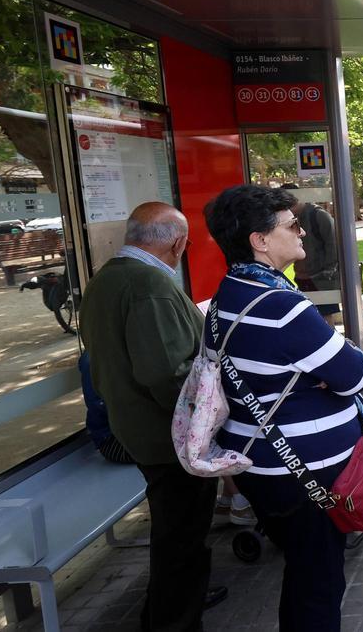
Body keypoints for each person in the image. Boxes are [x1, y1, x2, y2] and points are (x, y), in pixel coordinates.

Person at [204, 185, 363, 631]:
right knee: (317, 582)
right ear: (260, 240)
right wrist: (337, 356)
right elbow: (354, 375)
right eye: (291, 225)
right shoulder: (281, 306)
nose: (302, 232)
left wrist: (323, 365)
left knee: (302, 568)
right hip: (302, 472)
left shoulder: (227, 295)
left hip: (257, 467)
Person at [78, 202, 226, 630]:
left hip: (141, 431)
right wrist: (210, 428)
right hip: (169, 440)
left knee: (175, 533)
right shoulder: (148, 286)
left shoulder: (108, 279)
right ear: (179, 243)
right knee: (181, 538)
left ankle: (170, 606)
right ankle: (173, 619)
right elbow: (169, 375)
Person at [280, 182, 339, 317]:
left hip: (320, 279)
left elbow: (334, 245)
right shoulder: (293, 218)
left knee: (324, 318)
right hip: (302, 277)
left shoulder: (318, 215)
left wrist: (327, 272)